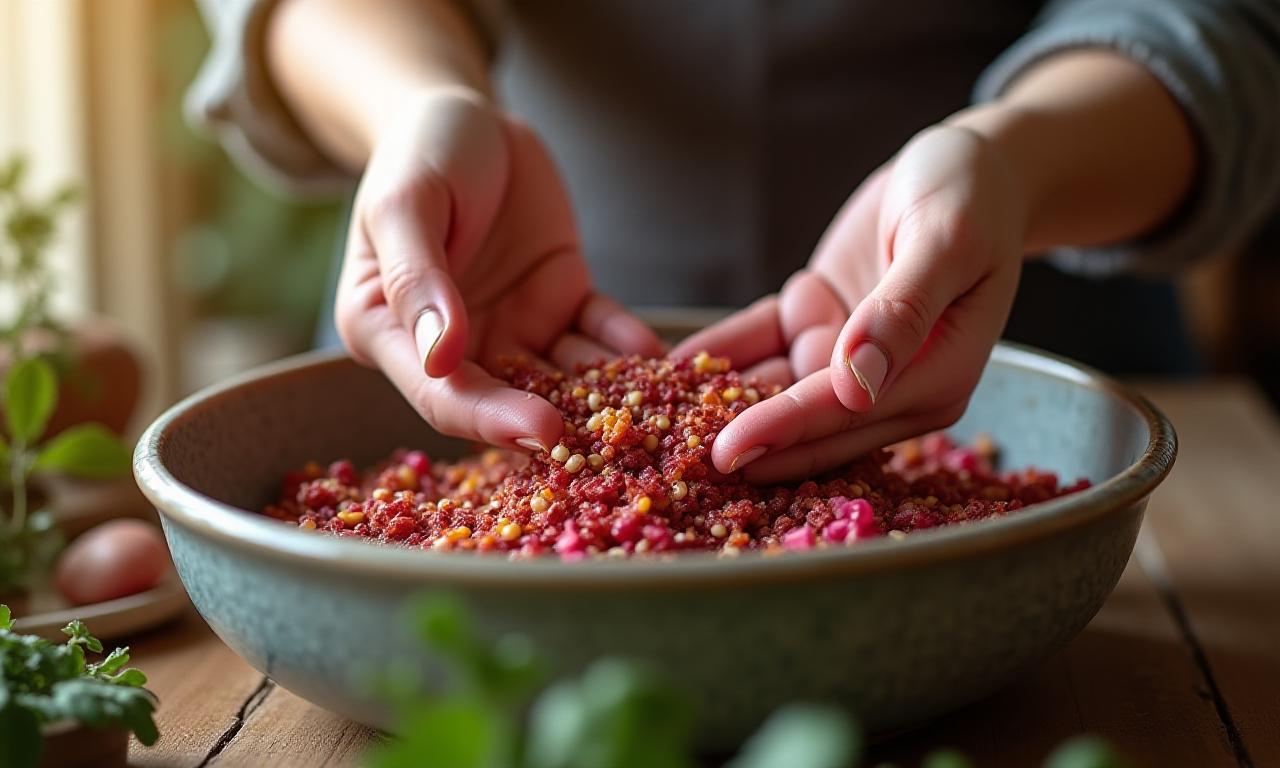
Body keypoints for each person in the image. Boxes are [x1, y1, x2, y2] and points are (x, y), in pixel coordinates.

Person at [187, 0, 1280, 481]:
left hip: (1021, 356)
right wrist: (416, 104)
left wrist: (1013, 163)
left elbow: (1224, 22)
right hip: (492, 327)